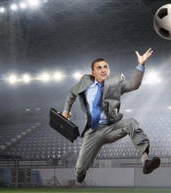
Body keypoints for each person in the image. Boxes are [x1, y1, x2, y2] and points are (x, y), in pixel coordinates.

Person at [61, 48, 160, 183]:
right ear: (93, 72)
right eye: (99, 68)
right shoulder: (85, 81)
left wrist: (141, 65)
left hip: (112, 127)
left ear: (109, 70)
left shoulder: (115, 83)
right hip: (93, 132)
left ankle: (145, 162)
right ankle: (80, 173)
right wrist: (66, 110)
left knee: (131, 122)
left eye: (105, 67)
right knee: (79, 168)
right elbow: (72, 93)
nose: (103, 70)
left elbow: (134, 84)